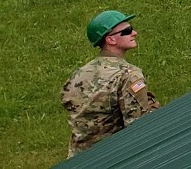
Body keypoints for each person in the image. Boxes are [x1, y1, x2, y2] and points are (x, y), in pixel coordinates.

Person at [61, 10, 159, 157]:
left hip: (79, 158)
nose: (135, 33)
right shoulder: (128, 74)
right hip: (115, 156)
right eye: (127, 31)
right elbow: (138, 124)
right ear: (111, 40)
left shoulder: (78, 74)